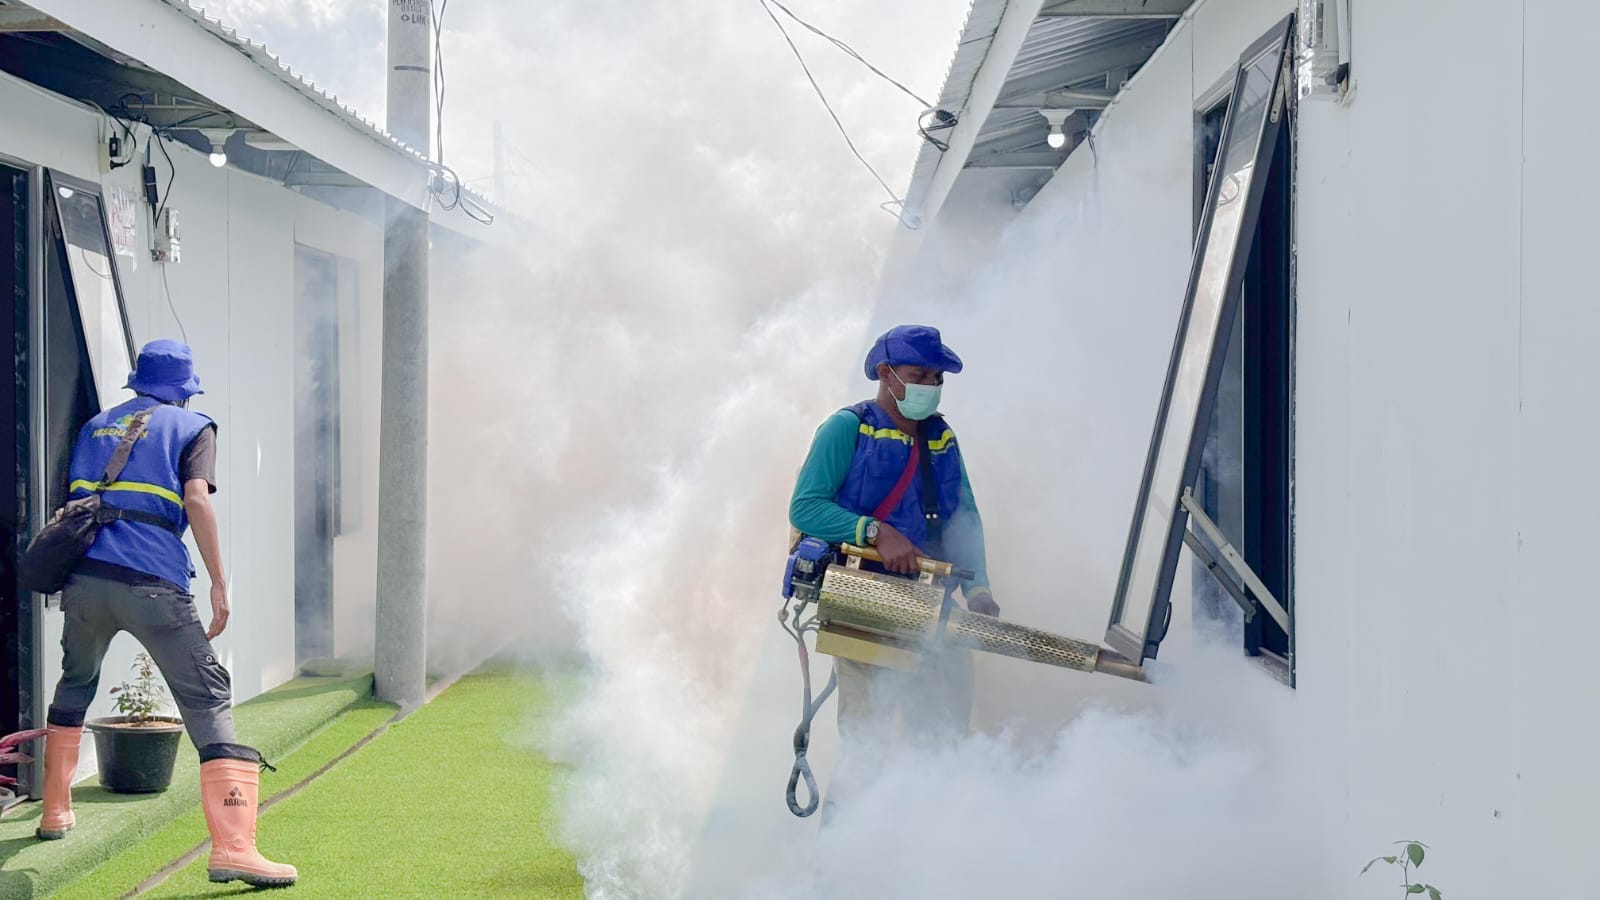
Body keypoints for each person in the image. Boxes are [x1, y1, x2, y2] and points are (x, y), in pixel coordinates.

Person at [34, 340, 296, 888]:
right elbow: (196, 500)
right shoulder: (191, 426)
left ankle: (55, 810)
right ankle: (234, 847)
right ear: (184, 389)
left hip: (84, 581)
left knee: (77, 680)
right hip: (152, 582)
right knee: (208, 696)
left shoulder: (94, 426)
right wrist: (220, 583)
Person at [788, 324, 996, 805]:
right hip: (863, 599)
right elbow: (806, 507)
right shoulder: (847, 428)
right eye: (918, 374)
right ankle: (841, 868)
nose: (931, 385)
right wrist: (876, 533)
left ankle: (918, 857)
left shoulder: (941, 436)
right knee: (869, 746)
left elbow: (964, 515)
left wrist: (979, 588)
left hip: (935, 603)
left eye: (937, 377)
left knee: (943, 739)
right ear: (886, 374)